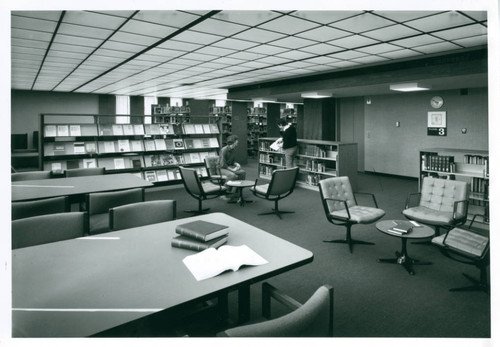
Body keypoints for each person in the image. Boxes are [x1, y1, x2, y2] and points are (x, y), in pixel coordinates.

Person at [219, 134, 246, 203]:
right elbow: (223, 164)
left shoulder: (233, 150)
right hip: (221, 169)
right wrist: (232, 170)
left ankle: (237, 191)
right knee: (232, 175)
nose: (237, 144)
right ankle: (224, 193)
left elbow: (232, 161)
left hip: (228, 167)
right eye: (236, 142)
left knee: (242, 173)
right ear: (232, 142)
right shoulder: (224, 150)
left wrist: (236, 164)